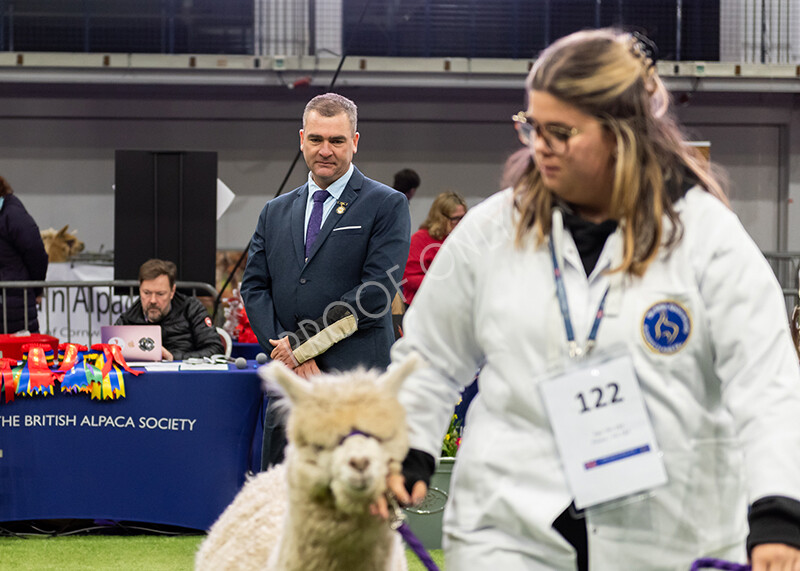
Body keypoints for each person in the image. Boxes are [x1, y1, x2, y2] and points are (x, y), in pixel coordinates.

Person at [387, 29, 800, 570]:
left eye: (562, 132)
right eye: (531, 127)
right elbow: (430, 356)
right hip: (510, 526)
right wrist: (411, 445)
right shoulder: (491, 230)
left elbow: (766, 385)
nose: (540, 146)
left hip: (672, 530)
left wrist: (777, 511)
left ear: (622, 132)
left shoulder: (708, 237)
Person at [241, 92, 411, 468]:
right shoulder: (274, 211)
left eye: (336, 140)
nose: (325, 150)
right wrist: (288, 350)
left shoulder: (386, 204)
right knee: (282, 497)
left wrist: (300, 346)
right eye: (316, 139)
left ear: (354, 142)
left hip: (356, 382)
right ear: (302, 138)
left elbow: (376, 293)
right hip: (291, 383)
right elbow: (254, 287)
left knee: (354, 506)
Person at [116, 258, 223, 361]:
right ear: (140, 290)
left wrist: (172, 357)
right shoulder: (128, 318)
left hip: (184, 376)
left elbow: (215, 350)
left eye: (160, 294)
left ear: (172, 291)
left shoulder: (191, 309)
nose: (153, 300)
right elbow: (110, 351)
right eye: (147, 293)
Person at [0, 175, 48, 334]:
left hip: (14, 304)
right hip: (12, 302)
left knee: (22, 355)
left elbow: (36, 254)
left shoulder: (12, 214)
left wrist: (36, 288)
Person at [402, 190, 467, 305]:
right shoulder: (420, 239)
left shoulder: (463, 239)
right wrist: (442, 283)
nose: (460, 223)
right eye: (455, 219)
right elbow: (407, 277)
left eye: (463, 217)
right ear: (441, 218)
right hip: (422, 305)